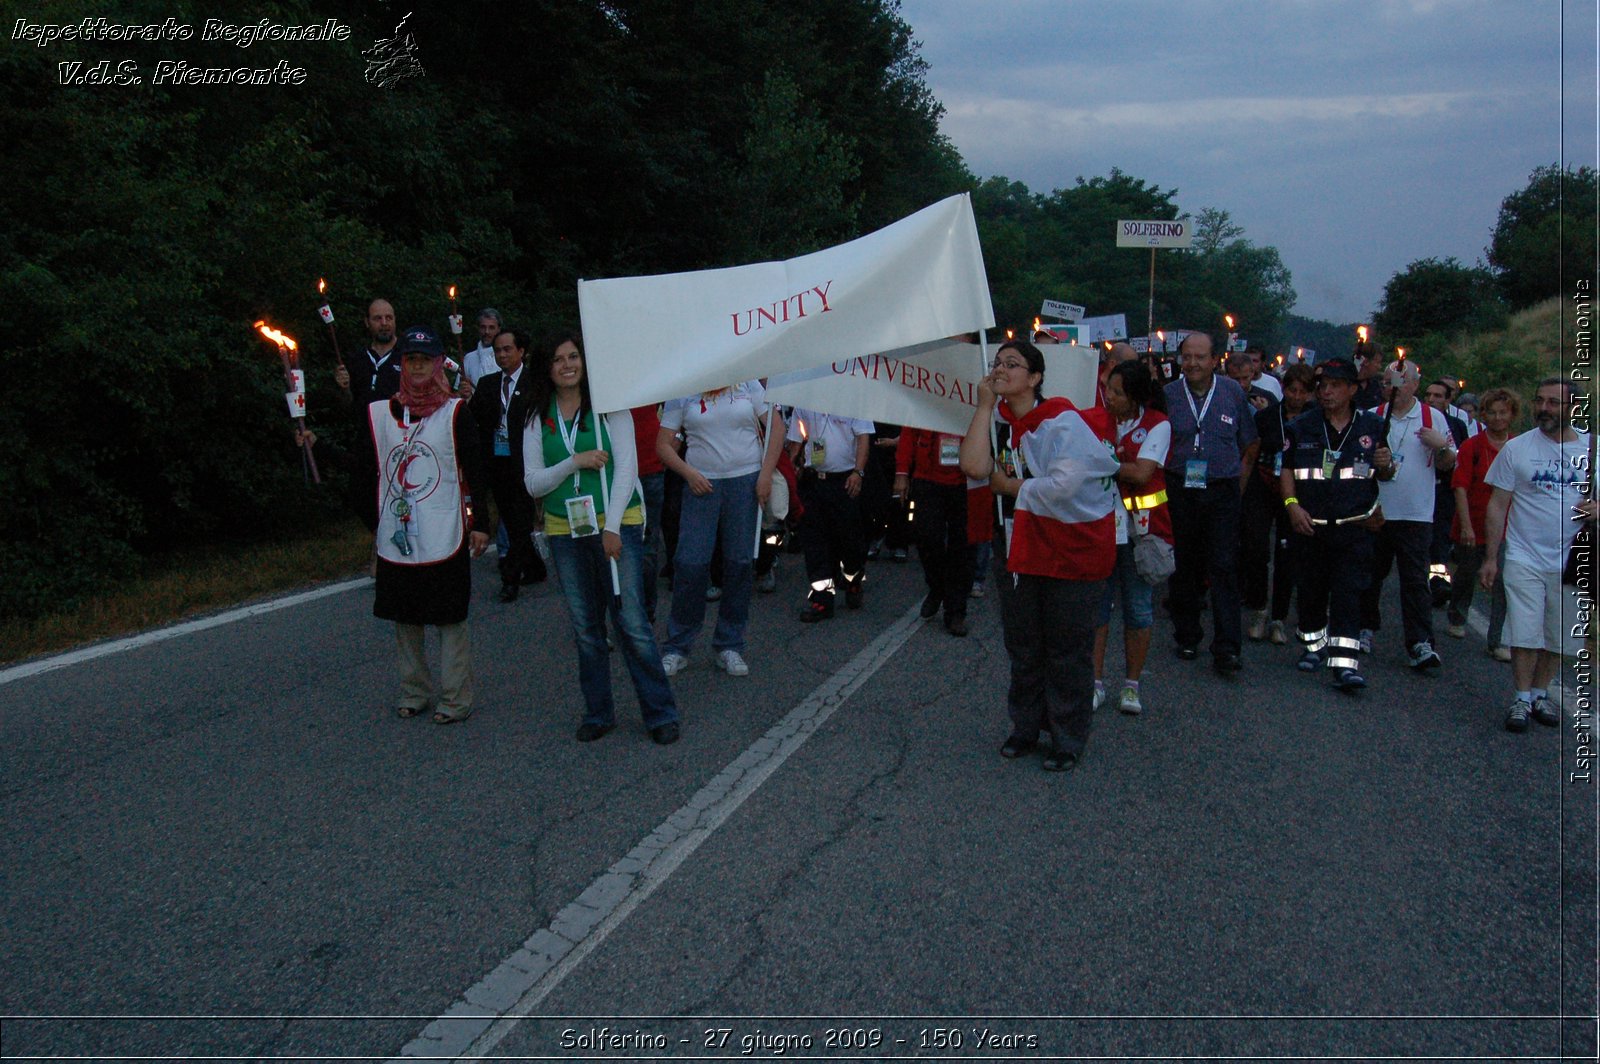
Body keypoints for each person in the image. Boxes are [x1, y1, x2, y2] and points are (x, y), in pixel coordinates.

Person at [959, 340, 1120, 772]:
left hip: (1068, 550)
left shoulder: (1060, 421)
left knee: (1067, 649)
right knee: (1024, 645)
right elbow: (975, 467)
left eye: (1013, 364)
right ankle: (1026, 726)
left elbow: (1067, 485)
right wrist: (982, 406)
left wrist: (1011, 488)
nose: (1001, 369)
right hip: (1018, 547)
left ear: (1035, 378)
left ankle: (1068, 736)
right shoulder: (998, 423)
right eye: (997, 363)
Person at [521, 335, 680, 744]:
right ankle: (599, 711)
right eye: (558, 359)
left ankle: (659, 712)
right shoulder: (537, 417)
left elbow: (627, 469)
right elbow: (534, 483)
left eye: (573, 356)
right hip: (565, 528)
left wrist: (612, 528)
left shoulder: (611, 408)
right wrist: (573, 461)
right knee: (586, 627)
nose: (567, 364)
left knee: (631, 622)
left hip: (616, 523)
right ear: (547, 367)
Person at [356, 326, 490, 724]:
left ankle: (455, 697)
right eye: (410, 359)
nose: (416, 367)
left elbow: (475, 470)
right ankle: (414, 690)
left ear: (437, 364)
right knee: (406, 616)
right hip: (399, 536)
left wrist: (481, 522)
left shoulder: (455, 412)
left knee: (450, 616)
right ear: (402, 364)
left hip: (443, 527)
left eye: (424, 360)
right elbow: (366, 469)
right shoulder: (382, 412)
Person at [1481, 377, 1594, 732]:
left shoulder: (1593, 449)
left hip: (1573, 560)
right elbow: (1498, 505)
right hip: (1523, 555)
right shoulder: (1518, 448)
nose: (1543, 409)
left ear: (1572, 408)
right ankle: (1521, 697)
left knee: (1558, 634)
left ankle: (1541, 693)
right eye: (1540, 401)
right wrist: (1491, 557)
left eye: (1553, 403)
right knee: (1525, 631)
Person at [655, 381, 785, 677]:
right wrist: (688, 474)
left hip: (744, 481)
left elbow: (776, 428)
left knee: (739, 563)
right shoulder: (685, 386)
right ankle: (677, 646)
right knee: (690, 563)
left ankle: (730, 644)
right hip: (702, 485)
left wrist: (765, 475)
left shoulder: (747, 381)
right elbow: (663, 444)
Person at [1281, 357, 1392, 691]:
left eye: (1334, 386)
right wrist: (1291, 506)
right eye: (1323, 386)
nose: (1326, 392)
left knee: (1348, 594)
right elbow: (1286, 470)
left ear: (1352, 389)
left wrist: (1386, 466)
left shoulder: (1372, 427)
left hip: (1354, 525)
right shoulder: (1302, 426)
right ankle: (1314, 647)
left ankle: (1345, 664)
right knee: (1312, 591)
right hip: (1311, 524)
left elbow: (1384, 473)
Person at [1163, 332, 1260, 674]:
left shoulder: (1233, 392)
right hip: (1180, 488)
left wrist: (1238, 485)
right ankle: (1187, 635)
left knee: (1223, 566)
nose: (1192, 363)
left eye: (1200, 357)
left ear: (1214, 359)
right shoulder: (1169, 395)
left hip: (1222, 490)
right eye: (1186, 357)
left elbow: (1250, 443)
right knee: (1184, 565)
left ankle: (1227, 647)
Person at [1359, 358, 1455, 670]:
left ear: (1415, 384)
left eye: (1400, 382)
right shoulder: (1372, 416)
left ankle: (1420, 642)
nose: (1394, 388)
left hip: (1416, 514)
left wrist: (1441, 447)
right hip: (1378, 511)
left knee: (1415, 580)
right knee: (1370, 574)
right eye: (1387, 383)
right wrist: (1374, 462)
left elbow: (1448, 464)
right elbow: (1358, 467)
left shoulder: (1433, 418)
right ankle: (1364, 628)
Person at [1092, 360, 1171, 714]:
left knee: (1138, 610)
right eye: (1108, 388)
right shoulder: (1096, 419)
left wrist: (1098, 462)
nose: (1109, 396)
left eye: (1117, 392)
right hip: (1100, 527)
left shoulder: (1158, 424)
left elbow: (1142, 473)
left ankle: (1131, 686)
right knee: (1098, 606)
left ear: (1136, 396)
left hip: (1141, 531)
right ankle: (1094, 683)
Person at [467, 328, 547, 602]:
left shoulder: (534, 382)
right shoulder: (488, 384)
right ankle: (535, 567)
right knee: (513, 522)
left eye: (507, 349)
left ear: (521, 351)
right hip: (498, 464)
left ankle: (509, 577)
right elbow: (473, 419)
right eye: (498, 350)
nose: (502, 355)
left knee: (521, 520)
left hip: (525, 463)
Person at [1245, 362, 1316, 643]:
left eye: (1302, 391)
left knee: (1288, 553)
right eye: (1292, 390)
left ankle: (1279, 618)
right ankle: (1259, 609)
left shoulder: (1313, 420)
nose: (1296, 396)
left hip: (1296, 491)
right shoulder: (1267, 416)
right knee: (1256, 547)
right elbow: (1251, 454)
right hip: (1263, 484)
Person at [787, 408, 873, 622]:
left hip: (844, 482)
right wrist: (791, 467)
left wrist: (858, 472)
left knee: (849, 540)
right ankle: (822, 599)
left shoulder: (853, 397)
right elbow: (796, 440)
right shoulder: (804, 401)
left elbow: (863, 438)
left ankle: (853, 579)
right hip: (814, 481)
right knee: (815, 542)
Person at [1448, 387, 1517, 652]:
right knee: (1466, 574)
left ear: (1512, 415)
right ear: (1484, 415)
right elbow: (1461, 485)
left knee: (1503, 581)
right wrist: (1464, 524)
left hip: (1506, 528)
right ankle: (1457, 614)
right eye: (1493, 412)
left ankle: (1497, 639)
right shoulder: (1472, 446)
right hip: (1473, 522)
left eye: (1504, 413)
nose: (1498, 418)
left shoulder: (1517, 446)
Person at [895, 426, 978, 636]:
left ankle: (956, 611)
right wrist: (902, 472)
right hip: (927, 478)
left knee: (963, 547)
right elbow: (909, 429)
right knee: (925, 537)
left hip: (967, 479)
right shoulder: (925, 393)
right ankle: (937, 586)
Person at [1422, 380, 1473, 606]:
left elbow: (1461, 458)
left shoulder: (1456, 425)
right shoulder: (1418, 421)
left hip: (1443, 490)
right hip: (1418, 489)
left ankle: (1439, 582)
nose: (1432, 400)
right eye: (1429, 395)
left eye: (1438, 396)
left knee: (1440, 540)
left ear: (1448, 400)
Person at [335, 297, 403, 411]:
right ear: (367, 322)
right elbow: (346, 404)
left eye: (389, 318)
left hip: (400, 427)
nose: (384, 323)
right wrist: (344, 388)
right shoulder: (357, 359)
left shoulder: (409, 355)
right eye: (378, 318)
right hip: (366, 427)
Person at [461, 308, 504, 386]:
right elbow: (458, 392)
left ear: (498, 329)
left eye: (491, 328)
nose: (486, 332)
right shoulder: (469, 359)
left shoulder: (505, 357)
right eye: (483, 327)